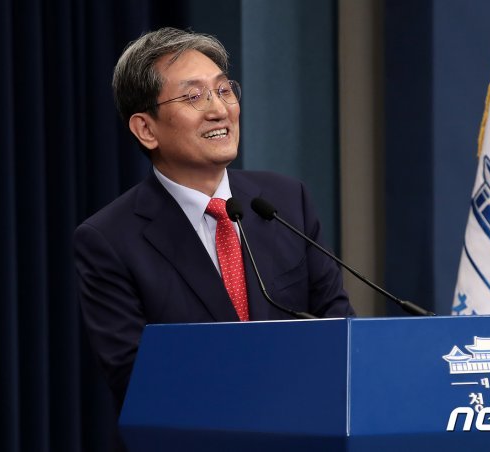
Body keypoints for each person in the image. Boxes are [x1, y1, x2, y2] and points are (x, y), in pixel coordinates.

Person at [74, 27, 354, 411]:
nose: (219, 110)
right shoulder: (109, 239)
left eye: (223, 90)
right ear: (146, 129)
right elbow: (137, 378)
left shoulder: (286, 202)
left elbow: (339, 329)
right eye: (193, 96)